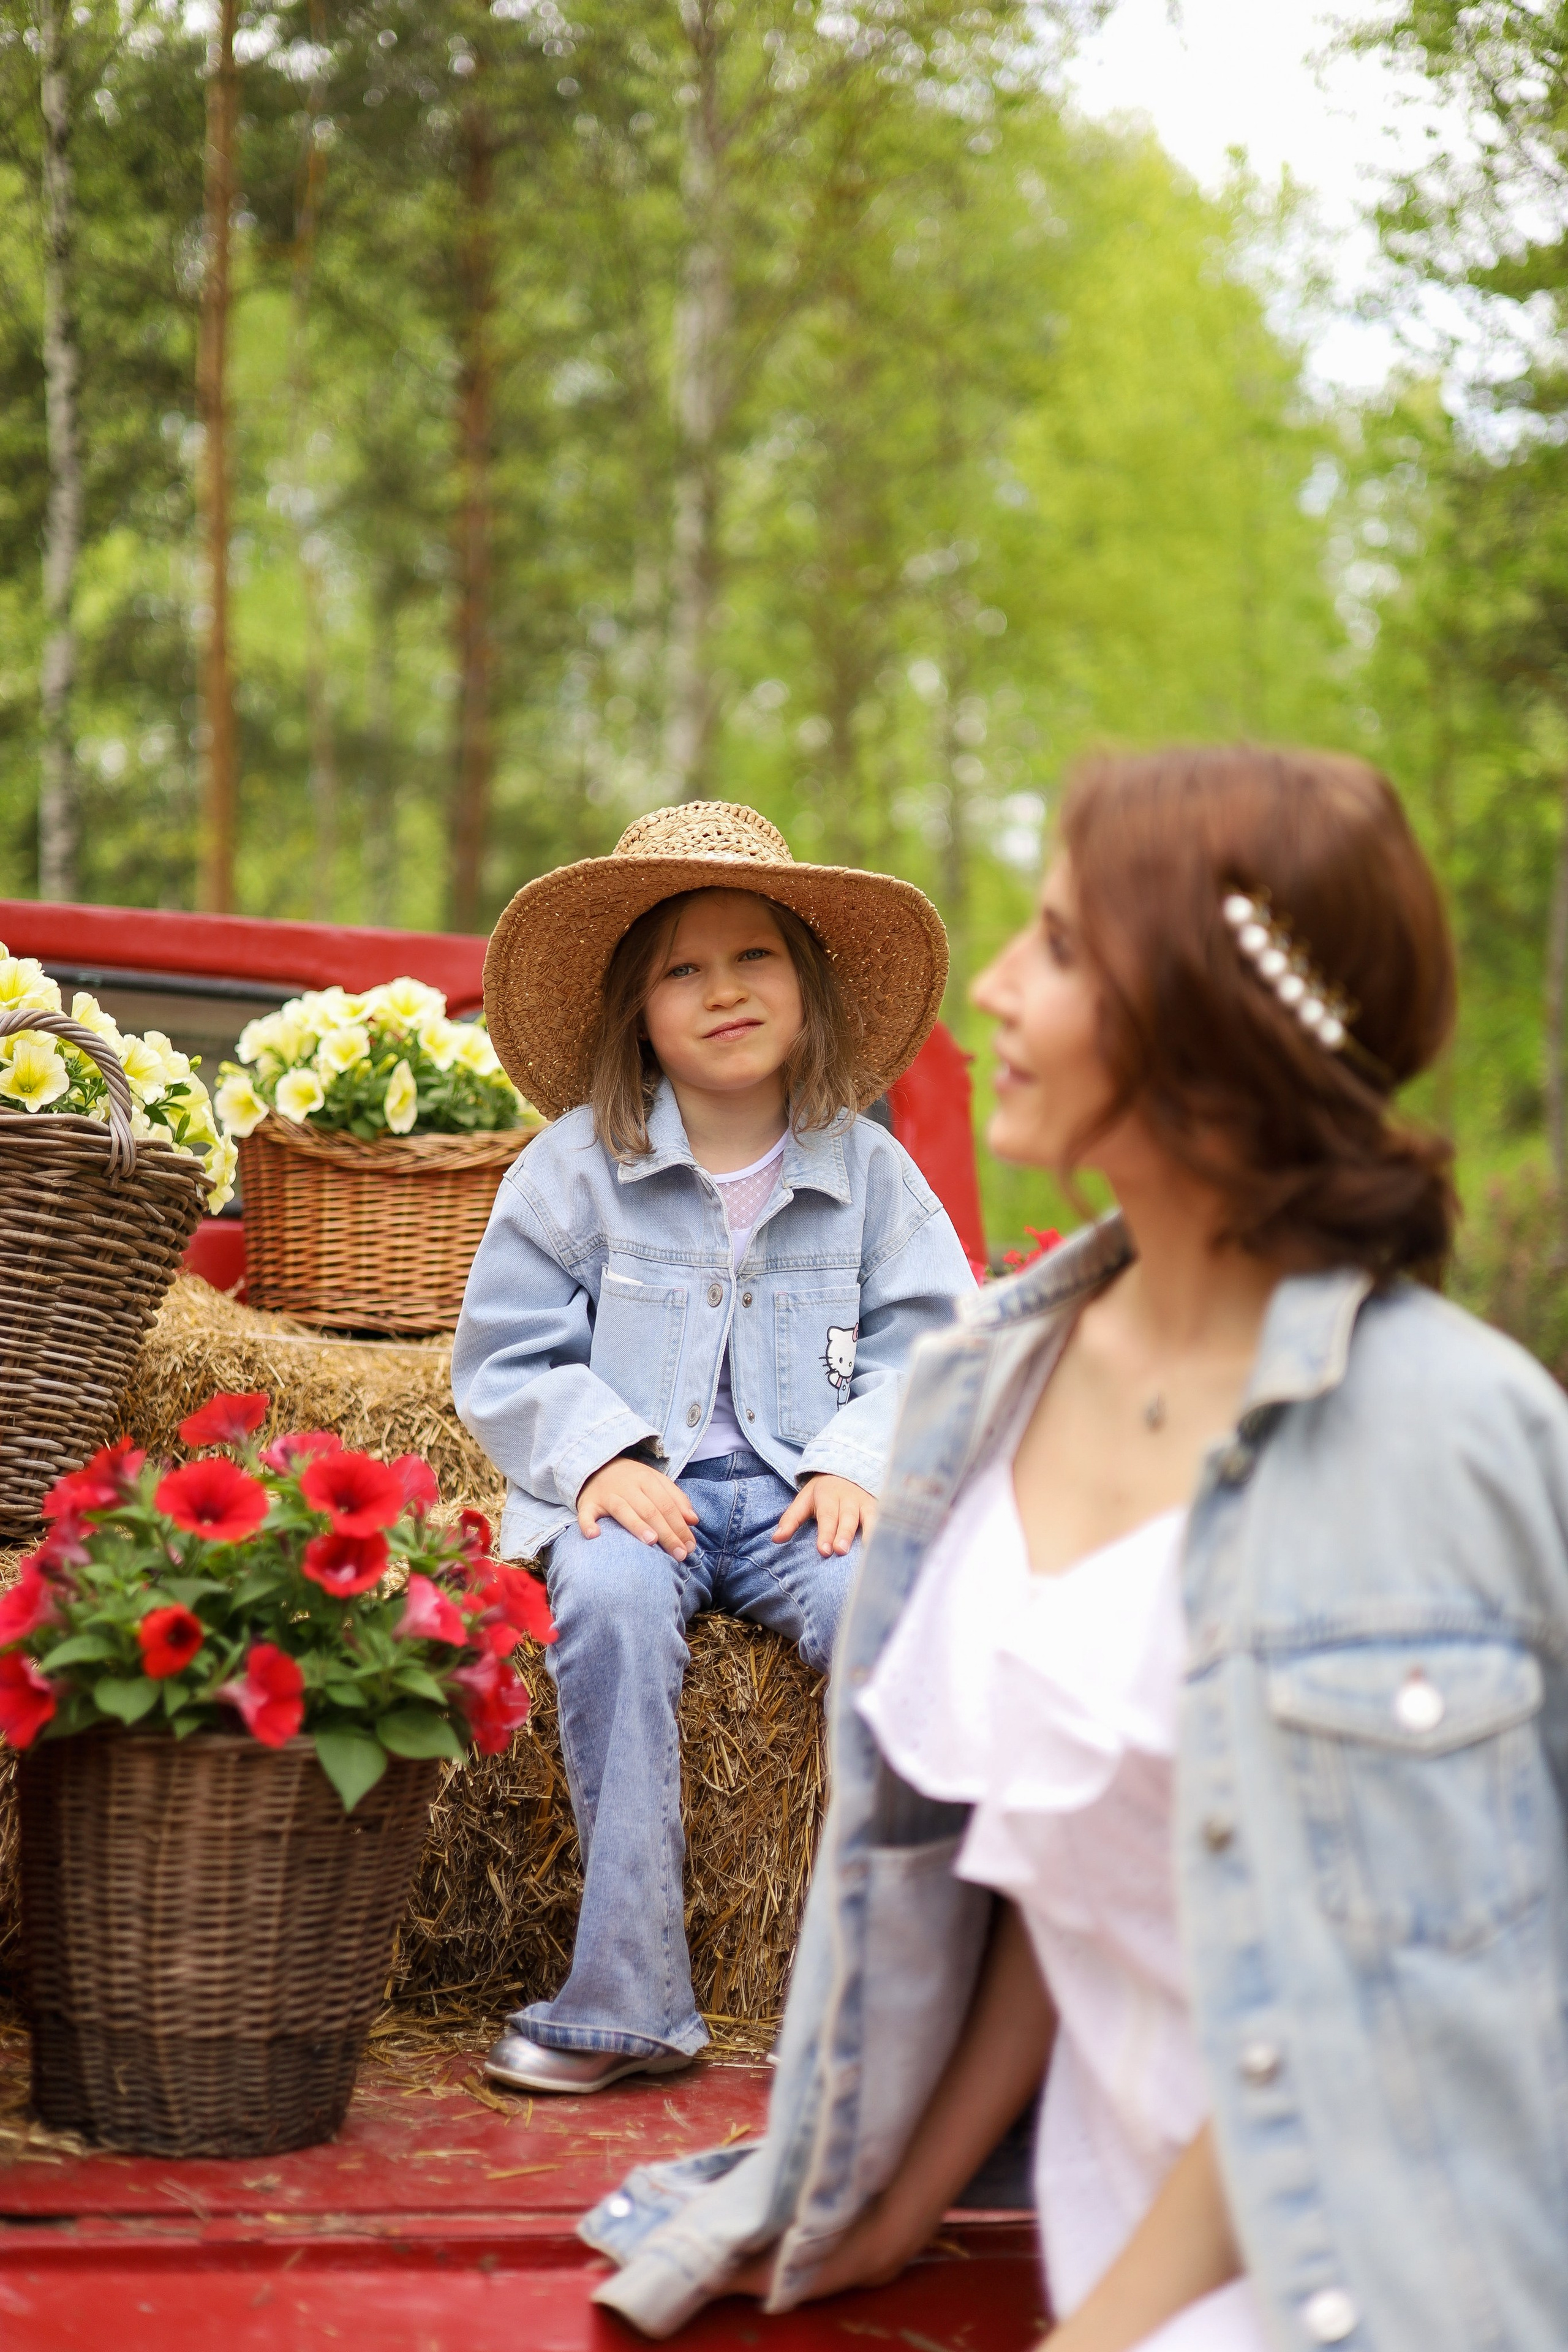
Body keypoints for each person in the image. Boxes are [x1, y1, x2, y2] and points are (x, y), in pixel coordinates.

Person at [583, 744, 1568, 2351]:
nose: (1002, 993)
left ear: (1206, 1016)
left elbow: (1363, 2034)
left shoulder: (1452, 1440)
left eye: (1058, 945)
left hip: (1369, 2276)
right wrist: (885, 2208)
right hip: (1094, 2241)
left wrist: (1093, 2337)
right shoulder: (993, 1380)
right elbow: (1077, 1870)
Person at [452, 799, 976, 2095]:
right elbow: (506, 1356)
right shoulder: (572, 1172)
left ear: (808, 989)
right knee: (612, 1608)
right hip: (646, 1498)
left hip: (809, 1501)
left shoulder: (872, 1175)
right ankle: (625, 1996)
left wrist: (858, 1457)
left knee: (893, 1618)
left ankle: (906, 2003)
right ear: (636, 1008)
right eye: (681, 968)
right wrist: (600, 1459)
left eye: (753, 957)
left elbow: (937, 1347)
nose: (721, 991)